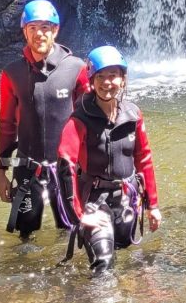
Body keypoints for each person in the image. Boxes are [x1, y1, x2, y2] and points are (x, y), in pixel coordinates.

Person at [58, 45, 161, 272]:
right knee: (103, 263)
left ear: (123, 79)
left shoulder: (133, 114)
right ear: (91, 81)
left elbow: (144, 158)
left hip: (127, 197)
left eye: (113, 75)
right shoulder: (79, 118)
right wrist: (79, 215)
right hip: (95, 200)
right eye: (100, 76)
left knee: (126, 261)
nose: (107, 82)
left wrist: (153, 205)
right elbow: (65, 164)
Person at [0, 0, 89, 240]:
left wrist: (92, 168)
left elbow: (89, 122)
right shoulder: (12, 73)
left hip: (66, 169)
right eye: (33, 27)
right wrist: (1, 169)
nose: (39, 34)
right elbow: (7, 124)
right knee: (24, 239)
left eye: (45, 27)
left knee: (71, 233)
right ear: (24, 31)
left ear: (55, 30)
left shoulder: (76, 69)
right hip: (27, 168)